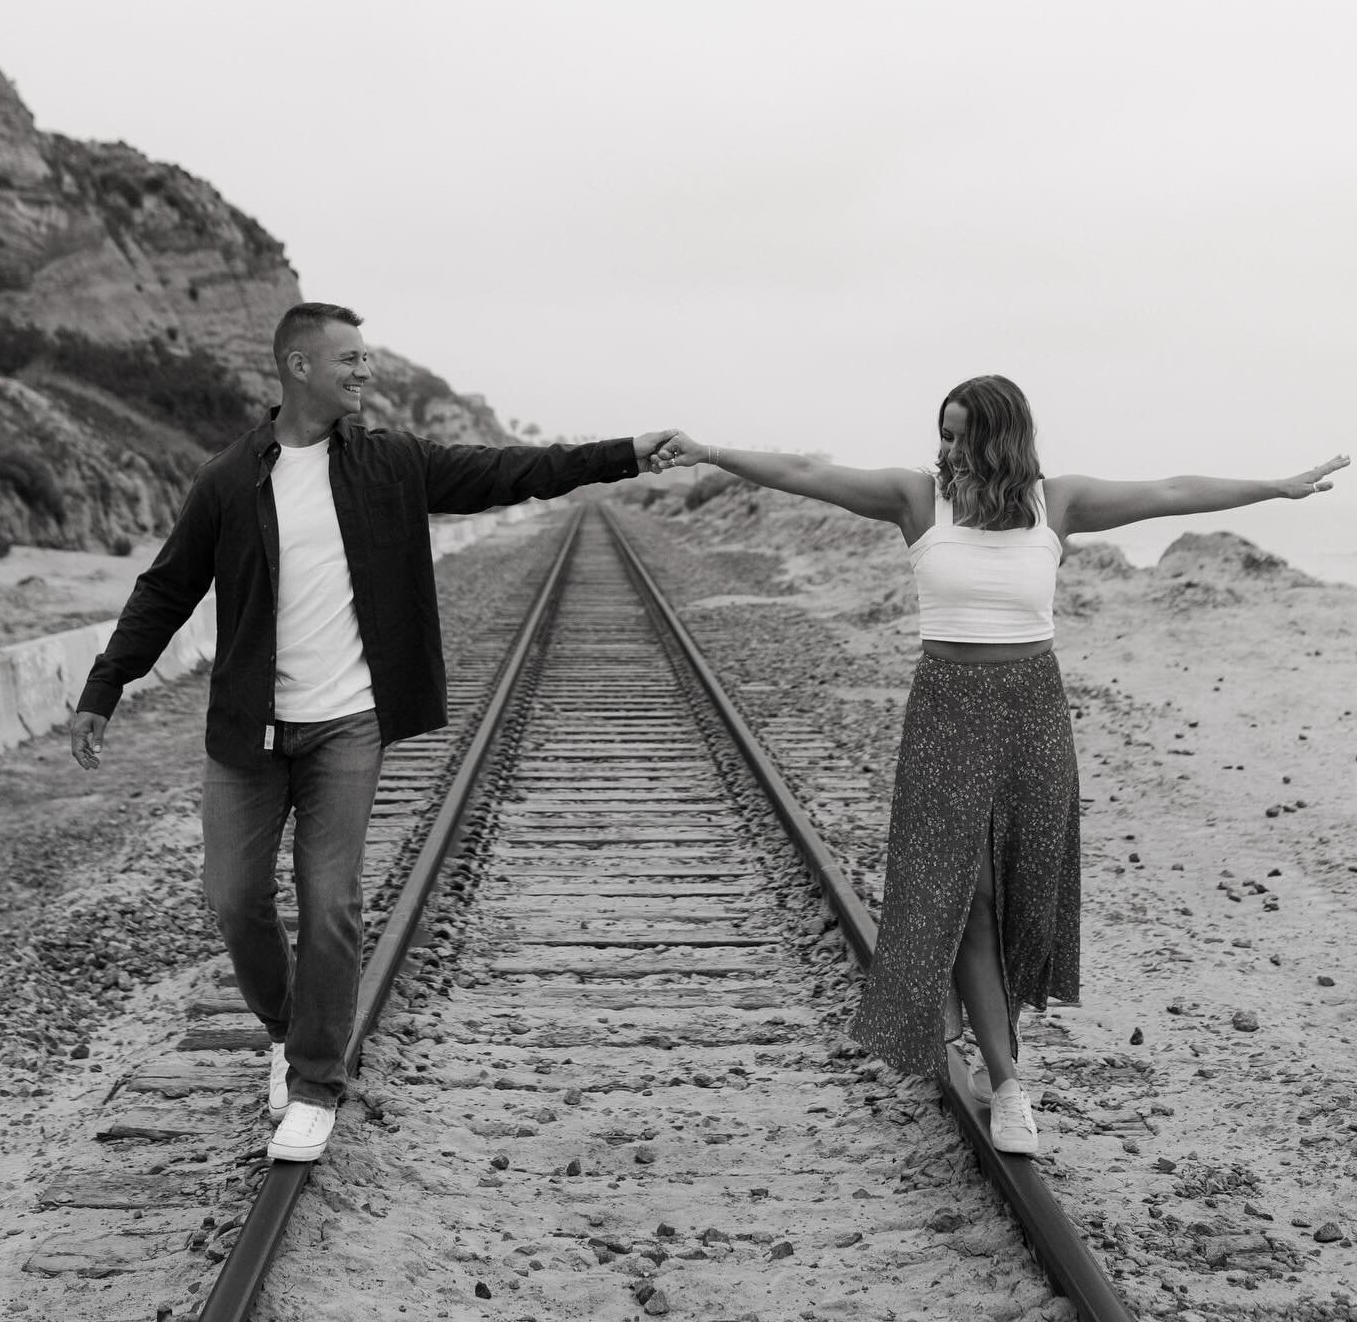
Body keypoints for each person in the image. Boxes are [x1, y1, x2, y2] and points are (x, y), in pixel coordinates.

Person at [651, 379, 1346, 1156]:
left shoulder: (1060, 505)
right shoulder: (914, 501)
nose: (944, 451)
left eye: (959, 438)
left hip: (1032, 712)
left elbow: (1172, 490)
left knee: (1024, 886)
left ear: (1000, 440)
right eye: (940, 434)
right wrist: (709, 450)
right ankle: (1009, 1084)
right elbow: (808, 475)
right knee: (971, 895)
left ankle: (993, 1036)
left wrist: (1277, 487)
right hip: (947, 709)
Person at [72, 302, 679, 1163]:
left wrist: (620, 454)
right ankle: (287, 1030)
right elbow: (167, 589)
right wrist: (106, 685)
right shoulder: (228, 478)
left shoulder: (391, 462)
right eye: (349, 360)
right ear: (297, 367)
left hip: (348, 723)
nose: (365, 373)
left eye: (366, 360)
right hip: (251, 728)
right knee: (234, 901)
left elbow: (513, 470)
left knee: (331, 905)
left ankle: (316, 1082)